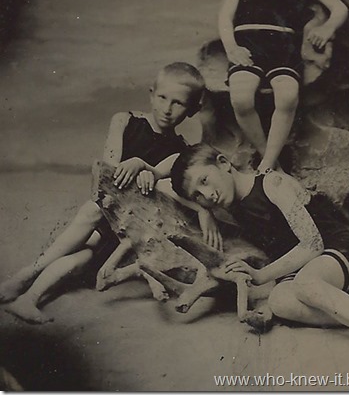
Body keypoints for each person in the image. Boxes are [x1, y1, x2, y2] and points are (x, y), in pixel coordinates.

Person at [170, 143, 349, 372]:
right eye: (197, 196)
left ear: (223, 163)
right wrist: (203, 211)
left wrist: (261, 275)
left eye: (204, 181)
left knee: (305, 284)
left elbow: (313, 244)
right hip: (300, 269)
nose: (207, 195)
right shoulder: (230, 205)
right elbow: (167, 183)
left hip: (335, 250)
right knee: (280, 302)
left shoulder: (272, 183)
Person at [0, 63, 221, 324]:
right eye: (162, 98)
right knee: (93, 211)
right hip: (106, 212)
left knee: (81, 260)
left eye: (178, 103)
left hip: (133, 229)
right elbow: (109, 175)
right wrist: (140, 169)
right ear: (151, 94)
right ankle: (26, 276)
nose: (167, 109)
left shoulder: (180, 151)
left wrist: (199, 207)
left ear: (193, 109)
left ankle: (28, 299)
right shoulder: (125, 121)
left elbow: (172, 192)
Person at [218, 0, 349, 174]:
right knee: (241, 98)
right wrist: (231, 48)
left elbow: (339, 8)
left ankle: (267, 162)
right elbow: (225, 17)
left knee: (288, 96)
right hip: (248, 45)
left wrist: (326, 29)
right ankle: (268, 157)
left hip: (282, 48)